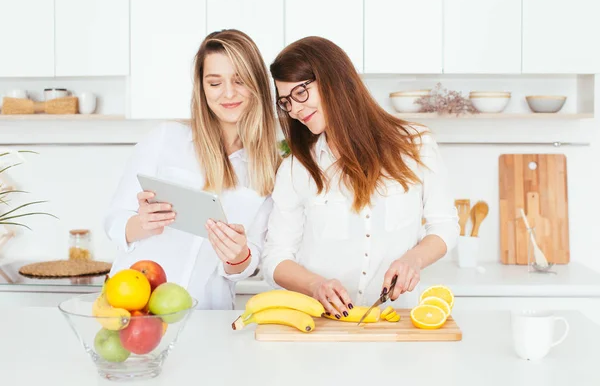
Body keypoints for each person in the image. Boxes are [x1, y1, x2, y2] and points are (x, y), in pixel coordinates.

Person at [261, 36, 459, 318]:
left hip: (395, 324)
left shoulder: (416, 145)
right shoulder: (296, 169)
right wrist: (315, 285)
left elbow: (445, 226)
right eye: (286, 102)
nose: (294, 110)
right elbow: (275, 257)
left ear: (334, 79)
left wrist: (412, 260)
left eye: (301, 93)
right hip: (321, 326)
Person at [104, 29, 281, 309]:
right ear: (201, 88)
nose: (229, 93)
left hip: (207, 314)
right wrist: (142, 224)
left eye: (240, 80)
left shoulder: (270, 169)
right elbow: (114, 221)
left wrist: (238, 256)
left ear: (257, 83)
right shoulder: (165, 139)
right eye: (215, 83)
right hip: (135, 307)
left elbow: (250, 263)